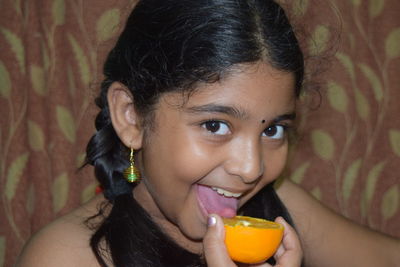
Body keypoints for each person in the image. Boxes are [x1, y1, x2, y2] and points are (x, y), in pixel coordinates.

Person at [15, 0, 400, 266]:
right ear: (131, 116)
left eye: (274, 130)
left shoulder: (278, 206)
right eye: (215, 125)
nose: (251, 170)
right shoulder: (67, 256)